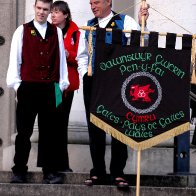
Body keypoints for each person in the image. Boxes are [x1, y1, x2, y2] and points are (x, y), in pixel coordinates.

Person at [77, 0, 149, 188]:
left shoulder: (125, 22)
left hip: (119, 82)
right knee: (95, 128)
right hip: (93, 82)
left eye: (97, 2)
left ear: (109, 1)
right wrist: (85, 73)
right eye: (91, 3)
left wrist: (144, 21)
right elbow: (82, 55)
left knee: (119, 126)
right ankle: (98, 172)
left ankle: (118, 172)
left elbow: (142, 41)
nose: (93, 6)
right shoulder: (89, 25)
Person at [6, 0, 69, 184]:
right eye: (39, 8)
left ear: (50, 11)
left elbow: (61, 63)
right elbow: (15, 60)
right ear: (34, 8)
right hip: (28, 87)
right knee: (24, 133)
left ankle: (49, 171)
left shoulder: (56, 31)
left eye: (46, 9)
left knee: (49, 133)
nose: (42, 12)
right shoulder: (22, 30)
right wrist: (18, 86)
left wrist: (60, 86)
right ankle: (19, 170)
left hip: (51, 88)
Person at [50, 0, 80, 172]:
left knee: (61, 123)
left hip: (66, 87)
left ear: (66, 15)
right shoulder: (47, 30)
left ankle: (62, 165)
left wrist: (68, 55)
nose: (53, 15)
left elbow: (81, 59)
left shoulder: (75, 32)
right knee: (52, 123)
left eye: (56, 12)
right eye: (52, 11)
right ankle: (53, 164)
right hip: (49, 85)